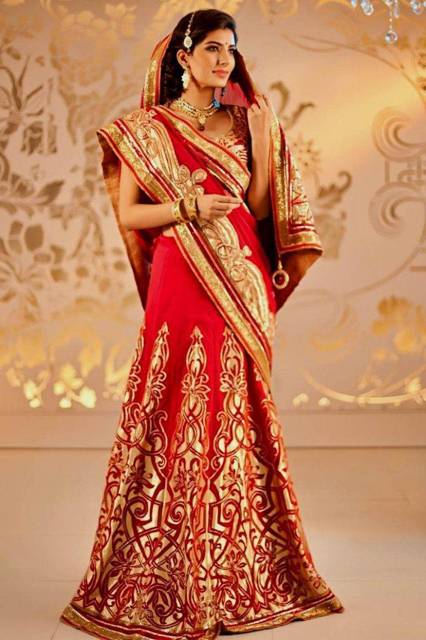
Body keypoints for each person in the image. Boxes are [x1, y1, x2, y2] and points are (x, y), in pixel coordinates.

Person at [59, 8, 344, 640]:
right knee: (172, 405)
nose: (224, 60)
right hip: (180, 274)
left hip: (240, 277)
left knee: (231, 409)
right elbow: (131, 216)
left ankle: (233, 564)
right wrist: (188, 206)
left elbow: (262, 209)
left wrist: (265, 142)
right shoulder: (145, 129)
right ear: (182, 57)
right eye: (213, 48)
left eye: (231, 50)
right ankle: (163, 566)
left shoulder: (248, 121)